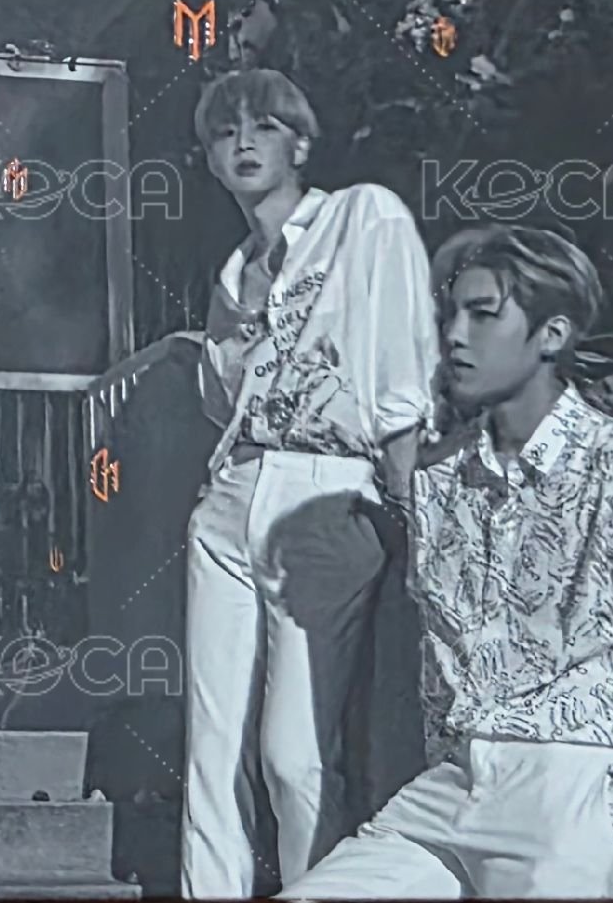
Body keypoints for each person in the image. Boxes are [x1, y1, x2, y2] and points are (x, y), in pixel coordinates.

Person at [291, 224, 613, 901]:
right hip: (451, 789)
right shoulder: (438, 482)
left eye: (483, 314)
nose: (455, 335)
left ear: (552, 334)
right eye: (450, 313)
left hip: (574, 790)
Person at [180, 69, 439, 899]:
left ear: (300, 142)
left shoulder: (362, 217)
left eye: (264, 126)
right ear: (210, 157)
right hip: (231, 495)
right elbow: (219, 402)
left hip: (328, 491)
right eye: (226, 132)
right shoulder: (232, 273)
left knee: (294, 753)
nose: (244, 143)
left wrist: (409, 503)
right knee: (210, 747)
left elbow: (401, 362)